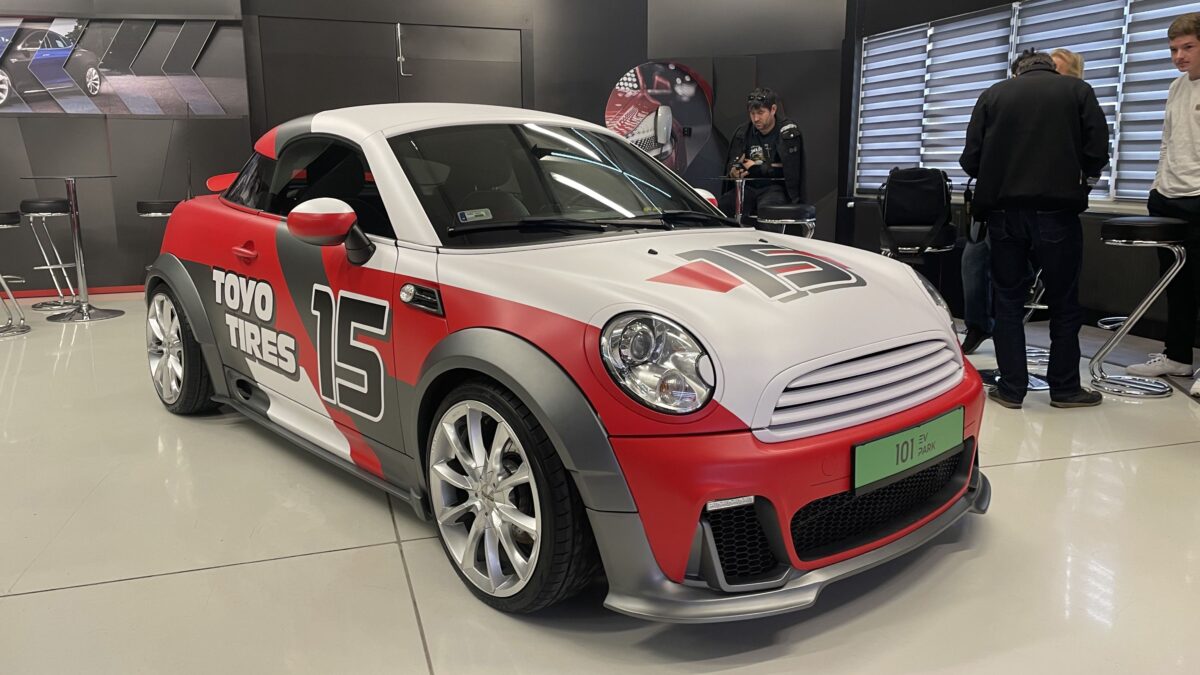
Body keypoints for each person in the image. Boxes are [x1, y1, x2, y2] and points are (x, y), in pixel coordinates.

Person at [959, 50, 1109, 409]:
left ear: (1017, 72)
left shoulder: (993, 95)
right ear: (1050, 67)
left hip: (1004, 215)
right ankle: (1065, 389)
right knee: (1064, 302)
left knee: (1008, 301)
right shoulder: (1078, 91)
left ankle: (1012, 389)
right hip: (1058, 212)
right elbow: (1097, 151)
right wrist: (1080, 177)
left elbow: (970, 160)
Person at [1125, 14, 1200, 397]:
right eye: (1173, 49)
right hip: (1168, 197)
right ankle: (1178, 356)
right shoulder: (1176, 86)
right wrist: (1157, 186)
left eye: (1188, 47)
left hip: (1199, 196)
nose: (1179, 56)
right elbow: (1168, 141)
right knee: (1175, 282)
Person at [719, 88, 807, 221]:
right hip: (747, 187)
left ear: (773, 109)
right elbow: (733, 162)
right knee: (724, 205)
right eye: (752, 113)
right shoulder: (743, 132)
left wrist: (757, 167)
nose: (756, 118)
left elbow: (791, 170)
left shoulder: (787, 132)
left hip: (774, 188)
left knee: (768, 210)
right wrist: (734, 171)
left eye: (760, 113)